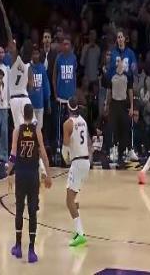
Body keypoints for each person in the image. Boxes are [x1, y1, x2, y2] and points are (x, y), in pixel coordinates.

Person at [6, 104, 52, 263]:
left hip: (21, 174)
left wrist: (8, 172)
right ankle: (31, 249)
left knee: (19, 210)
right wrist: (48, 174)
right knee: (32, 211)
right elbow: (43, 153)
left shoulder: (17, 130)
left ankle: (18, 246)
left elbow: (13, 154)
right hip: (33, 175)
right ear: (32, 115)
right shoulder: (37, 130)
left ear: (22, 114)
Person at [62, 97, 92, 247]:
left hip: (77, 162)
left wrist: (66, 158)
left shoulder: (67, 124)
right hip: (86, 162)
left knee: (69, 201)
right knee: (73, 198)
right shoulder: (83, 122)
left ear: (68, 108)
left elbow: (65, 146)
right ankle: (78, 230)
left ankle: (80, 233)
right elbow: (89, 142)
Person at [105, 60, 134, 168]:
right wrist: (106, 105)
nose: (121, 64)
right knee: (112, 129)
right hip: (114, 104)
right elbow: (108, 91)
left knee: (124, 130)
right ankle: (110, 153)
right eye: (119, 62)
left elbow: (130, 91)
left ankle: (121, 156)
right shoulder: (111, 76)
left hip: (123, 105)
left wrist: (132, 107)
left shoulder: (127, 76)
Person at [29, 44, 51, 133]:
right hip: (30, 105)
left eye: (37, 54)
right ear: (31, 55)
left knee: (39, 129)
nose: (35, 56)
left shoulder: (42, 68)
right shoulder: (28, 67)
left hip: (40, 104)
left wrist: (48, 102)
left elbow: (46, 86)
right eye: (34, 54)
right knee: (30, 129)